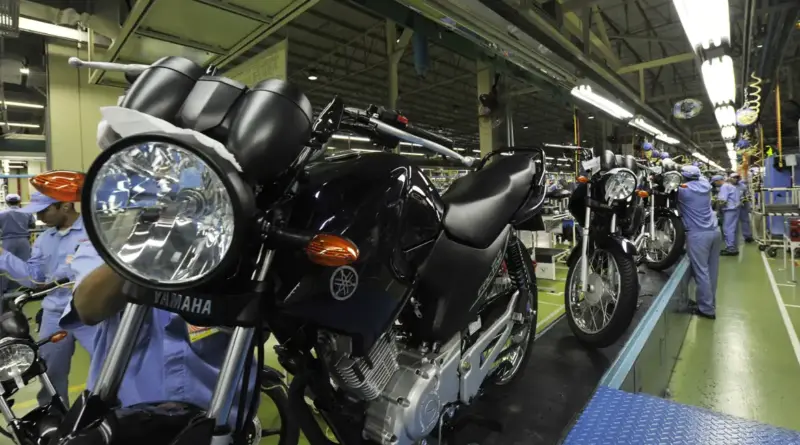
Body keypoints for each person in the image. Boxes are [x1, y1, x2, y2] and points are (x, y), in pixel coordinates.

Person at [63, 237, 257, 428]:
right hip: (123, 412)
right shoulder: (107, 234)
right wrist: (152, 241)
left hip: (219, 407)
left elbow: (257, 331)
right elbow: (89, 308)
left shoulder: (232, 234)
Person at [0, 191, 95, 405]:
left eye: (44, 211)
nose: (40, 217)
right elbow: (35, 279)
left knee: (108, 367)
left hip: (90, 311)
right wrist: (3, 257)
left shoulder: (94, 232)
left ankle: (112, 415)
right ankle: (55, 415)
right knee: (50, 372)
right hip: (55, 314)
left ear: (66, 205)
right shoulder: (44, 240)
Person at [677, 166, 721, 320]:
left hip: (698, 235)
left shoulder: (683, 191)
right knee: (712, 271)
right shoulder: (705, 185)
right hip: (715, 231)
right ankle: (710, 303)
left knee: (701, 272)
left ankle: (706, 309)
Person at [0, 194, 36, 294]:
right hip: (23, 241)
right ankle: (27, 287)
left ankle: (4, 289)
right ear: (19, 202)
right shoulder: (27, 213)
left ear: (7, 202)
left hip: (7, 241)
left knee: (5, 264)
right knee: (25, 265)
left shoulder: (2, 214)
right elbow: (32, 225)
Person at [714, 174, 741, 255]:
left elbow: (722, 201)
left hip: (729, 210)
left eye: (714, 182)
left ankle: (731, 249)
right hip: (734, 209)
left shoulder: (724, 187)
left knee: (727, 229)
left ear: (718, 181)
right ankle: (732, 247)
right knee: (732, 229)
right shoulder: (729, 186)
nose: (715, 184)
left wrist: (717, 211)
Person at [731, 173, 754, 243]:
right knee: (733, 222)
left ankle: (747, 236)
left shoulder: (743, 186)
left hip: (742, 206)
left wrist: (748, 206)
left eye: (737, 177)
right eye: (734, 178)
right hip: (732, 207)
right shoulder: (727, 186)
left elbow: (747, 196)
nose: (735, 179)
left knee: (745, 221)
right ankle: (731, 237)